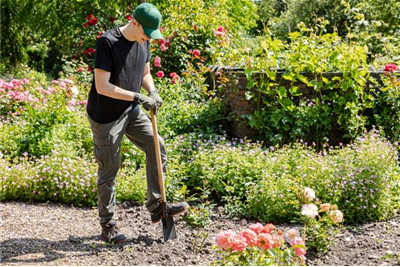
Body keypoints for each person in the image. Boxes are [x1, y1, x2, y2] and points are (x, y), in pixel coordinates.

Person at [86, 3, 189, 244]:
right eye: (146, 33)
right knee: (109, 168)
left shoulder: (144, 40)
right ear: (134, 22)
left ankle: (156, 206)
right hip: (106, 116)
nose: (147, 38)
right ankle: (108, 224)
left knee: (157, 145)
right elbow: (102, 86)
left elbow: (144, 73)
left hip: (130, 110)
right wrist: (136, 96)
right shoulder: (108, 42)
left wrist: (152, 91)